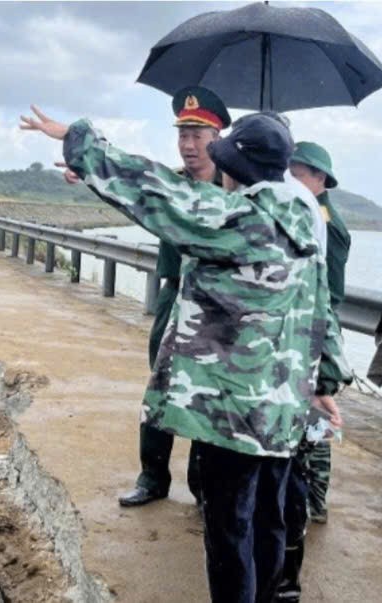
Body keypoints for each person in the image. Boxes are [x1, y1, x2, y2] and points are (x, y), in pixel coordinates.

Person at [21, 105, 348, 603]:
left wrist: (80, 140)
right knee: (268, 521)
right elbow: (321, 307)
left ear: (236, 166)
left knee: (229, 532)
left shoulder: (244, 220)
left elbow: (157, 193)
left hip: (233, 410)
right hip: (283, 409)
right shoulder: (304, 222)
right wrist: (325, 382)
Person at [118, 85, 230, 508]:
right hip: (173, 294)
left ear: (218, 137)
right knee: (160, 387)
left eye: (197, 135)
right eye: (182, 135)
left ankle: (203, 488)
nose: (187, 145)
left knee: (208, 395)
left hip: (215, 306)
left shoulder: (236, 187)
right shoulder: (171, 183)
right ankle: (152, 477)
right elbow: (132, 194)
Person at [275, 141, 351, 602]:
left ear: (321, 180)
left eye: (301, 172)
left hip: (319, 324)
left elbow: (329, 287)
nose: (294, 179)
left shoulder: (325, 223)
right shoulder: (302, 210)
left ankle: (316, 499)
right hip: (308, 322)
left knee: (318, 427)